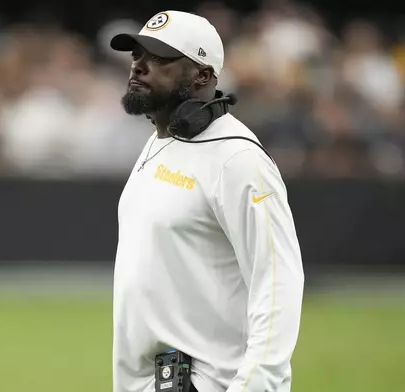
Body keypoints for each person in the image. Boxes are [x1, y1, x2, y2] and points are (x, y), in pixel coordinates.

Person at [109, 10, 305, 392]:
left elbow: (279, 281)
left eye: (160, 58)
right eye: (137, 56)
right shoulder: (161, 140)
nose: (139, 67)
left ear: (203, 75)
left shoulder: (238, 160)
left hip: (209, 382)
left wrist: (257, 384)